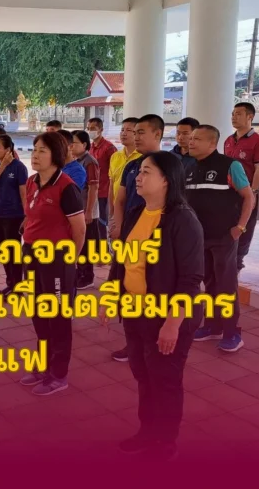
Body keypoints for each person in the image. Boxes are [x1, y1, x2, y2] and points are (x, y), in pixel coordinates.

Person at [103, 151, 203, 461]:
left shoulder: (182, 220)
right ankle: (147, 431)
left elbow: (190, 279)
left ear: (166, 180)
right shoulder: (136, 213)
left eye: (146, 171)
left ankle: (165, 441)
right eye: (139, 171)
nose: (138, 177)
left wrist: (172, 323)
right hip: (136, 311)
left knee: (164, 381)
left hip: (166, 316)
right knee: (144, 375)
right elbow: (122, 261)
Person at [19, 132, 86, 396]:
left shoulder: (66, 187)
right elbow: (31, 216)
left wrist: (70, 260)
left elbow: (79, 229)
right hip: (32, 254)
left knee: (57, 318)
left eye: (42, 150)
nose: (35, 155)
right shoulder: (32, 181)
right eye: (35, 149)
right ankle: (43, 364)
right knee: (38, 313)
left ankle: (59, 374)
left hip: (57, 259)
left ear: (56, 155)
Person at [187, 125, 254, 353]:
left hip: (224, 236)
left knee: (226, 285)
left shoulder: (230, 165)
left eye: (197, 139)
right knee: (209, 283)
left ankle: (232, 332)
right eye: (191, 138)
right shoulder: (189, 167)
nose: (191, 142)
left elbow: (248, 197)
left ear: (212, 143)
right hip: (199, 238)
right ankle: (212, 326)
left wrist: (240, 227)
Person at [109, 114, 166, 363]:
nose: (135, 136)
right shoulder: (131, 166)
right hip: (130, 233)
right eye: (134, 132)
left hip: (156, 238)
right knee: (127, 284)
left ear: (158, 134)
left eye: (141, 132)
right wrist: (118, 225)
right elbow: (120, 199)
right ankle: (132, 342)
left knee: (152, 286)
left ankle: (155, 339)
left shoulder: (169, 165)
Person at [225, 102, 259, 272]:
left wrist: (253, 192)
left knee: (245, 229)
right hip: (228, 193)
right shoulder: (228, 140)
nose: (234, 117)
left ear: (250, 117)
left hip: (246, 193)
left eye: (238, 114)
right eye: (233, 114)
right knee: (227, 226)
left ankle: (237, 265)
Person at [0, 134, 28, 295]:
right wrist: (3, 165)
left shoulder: (19, 167)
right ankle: (10, 283)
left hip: (14, 216)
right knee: (3, 252)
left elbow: (24, 194)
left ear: (8, 150)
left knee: (13, 253)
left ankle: (18, 287)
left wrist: (27, 216)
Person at [71, 130, 100, 290]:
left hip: (88, 212)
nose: (71, 146)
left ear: (84, 144)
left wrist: (89, 212)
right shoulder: (75, 161)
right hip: (78, 210)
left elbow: (93, 188)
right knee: (79, 245)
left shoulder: (89, 162)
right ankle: (79, 273)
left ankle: (88, 277)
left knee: (87, 246)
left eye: (74, 143)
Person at [87, 117, 117, 241]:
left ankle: (104, 249)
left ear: (101, 129)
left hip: (104, 192)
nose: (90, 131)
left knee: (102, 224)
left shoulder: (109, 148)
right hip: (91, 192)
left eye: (93, 128)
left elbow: (114, 172)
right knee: (93, 224)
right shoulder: (90, 147)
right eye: (88, 128)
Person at [108, 117, 141, 225]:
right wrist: (111, 211)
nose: (124, 133)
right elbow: (112, 184)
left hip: (136, 211)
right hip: (117, 210)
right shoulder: (115, 156)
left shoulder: (143, 157)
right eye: (122, 130)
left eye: (129, 130)